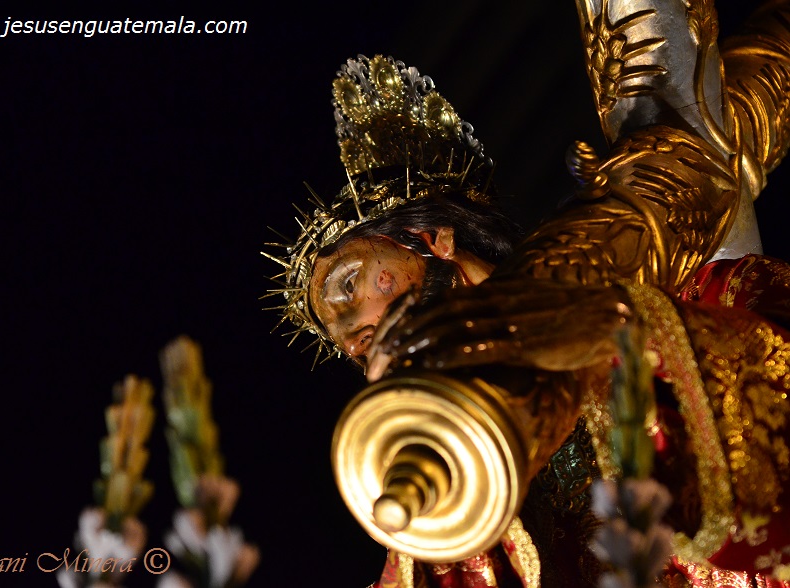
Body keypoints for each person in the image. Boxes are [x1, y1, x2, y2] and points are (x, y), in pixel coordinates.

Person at [264, 1, 790, 586]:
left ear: (432, 238)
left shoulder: (676, 300)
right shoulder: (448, 517)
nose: (358, 343)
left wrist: (615, 334)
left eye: (349, 285)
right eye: (351, 347)